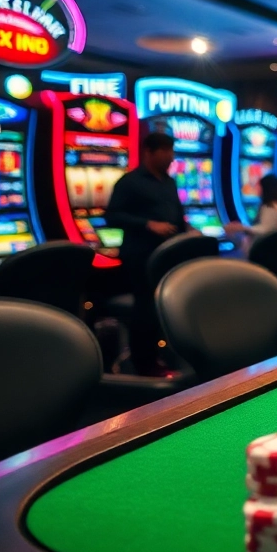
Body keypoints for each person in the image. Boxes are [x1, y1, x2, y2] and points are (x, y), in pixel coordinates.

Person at [105, 131, 189, 377]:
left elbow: (177, 215)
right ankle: (144, 364)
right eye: (165, 151)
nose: (171, 157)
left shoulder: (169, 182)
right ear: (149, 152)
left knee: (165, 307)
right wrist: (148, 224)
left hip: (168, 256)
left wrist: (188, 231)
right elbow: (112, 216)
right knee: (145, 310)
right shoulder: (130, 182)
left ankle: (163, 356)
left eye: (171, 151)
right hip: (141, 256)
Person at [223, 174, 277, 251]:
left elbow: (265, 229)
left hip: (267, 248)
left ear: (267, 188)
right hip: (275, 247)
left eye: (260, 186)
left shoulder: (271, 206)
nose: (258, 190)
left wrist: (241, 228)